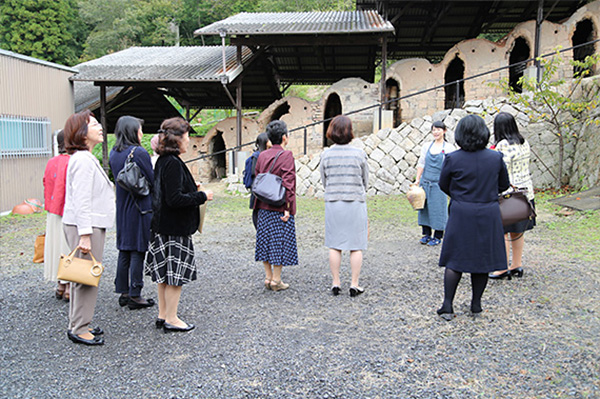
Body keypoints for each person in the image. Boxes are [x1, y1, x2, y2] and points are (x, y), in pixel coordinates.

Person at [437, 115, 510, 320]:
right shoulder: (495, 158)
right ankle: (476, 305)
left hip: (461, 211)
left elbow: (443, 184)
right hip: (488, 211)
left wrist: (460, 195)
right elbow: (504, 184)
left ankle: (448, 305)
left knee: (455, 259)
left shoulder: (453, 158)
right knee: (482, 259)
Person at [144, 117, 214, 333]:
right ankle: (172, 319)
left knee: (164, 274)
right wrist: (202, 195)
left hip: (162, 227)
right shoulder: (173, 163)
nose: (189, 140)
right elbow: (175, 199)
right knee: (174, 276)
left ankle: (163, 314)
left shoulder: (164, 160)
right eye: (186, 135)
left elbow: (169, 192)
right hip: (174, 229)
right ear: (177, 139)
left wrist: (193, 189)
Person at [62, 110, 115, 345]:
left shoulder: (84, 158)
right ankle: (80, 328)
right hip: (86, 225)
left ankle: (79, 322)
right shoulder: (83, 160)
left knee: (80, 276)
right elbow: (82, 199)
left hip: (86, 223)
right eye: (94, 124)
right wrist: (85, 235)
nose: (99, 127)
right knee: (86, 277)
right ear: (81, 133)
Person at [109, 116, 155, 309]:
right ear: (132, 131)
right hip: (140, 207)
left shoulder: (113, 153)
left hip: (122, 207)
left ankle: (123, 291)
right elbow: (152, 180)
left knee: (124, 249)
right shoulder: (139, 152)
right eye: (139, 130)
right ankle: (136, 294)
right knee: (138, 249)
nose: (141, 133)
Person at [320, 115, 369, 297]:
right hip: (355, 201)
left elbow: (324, 180)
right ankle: (354, 284)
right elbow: (366, 180)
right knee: (356, 245)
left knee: (335, 244)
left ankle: (336, 282)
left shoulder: (325, 154)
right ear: (350, 132)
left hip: (333, 202)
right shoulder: (359, 154)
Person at [489, 112, 536, 280]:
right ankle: (516, 264)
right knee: (517, 232)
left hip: (508, 196)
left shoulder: (503, 145)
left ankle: (502, 268)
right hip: (525, 194)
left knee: (502, 232)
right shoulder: (524, 142)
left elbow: (502, 169)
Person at [254, 120, 298, 291]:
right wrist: (288, 207)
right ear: (285, 137)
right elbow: (289, 183)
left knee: (265, 240)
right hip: (280, 206)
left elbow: (258, 179)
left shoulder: (262, 155)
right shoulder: (286, 155)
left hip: (263, 205)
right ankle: (277, 281)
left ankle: (268, 277)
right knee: (279, 242)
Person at [415, 121, 457, 246]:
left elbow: (451, 166)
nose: (436, 132)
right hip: (425, 181)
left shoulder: (449, 148)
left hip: (440, 183)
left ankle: (438, 235)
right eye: (433, 130)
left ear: (444, 131)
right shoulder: (427, 146)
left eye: (438, 129)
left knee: (439, 208)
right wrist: (418, 179)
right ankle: (426, 234)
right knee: (425, 208)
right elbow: (421, 162)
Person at [43, 130, 71, 301]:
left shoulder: (51, 162)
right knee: (67, 246)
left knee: (55, 246)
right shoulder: (73, 161)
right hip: (69, 211)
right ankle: (69, 286)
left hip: (53, 211)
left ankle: (60, 284)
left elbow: (46, 183)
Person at [243, 132, 271, 229]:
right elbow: (254, 172)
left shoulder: (262, 154)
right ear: (265, 142)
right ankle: (259, 230)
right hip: (258, 188)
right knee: (257, 210)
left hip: (261, 188)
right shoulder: (257, 156)